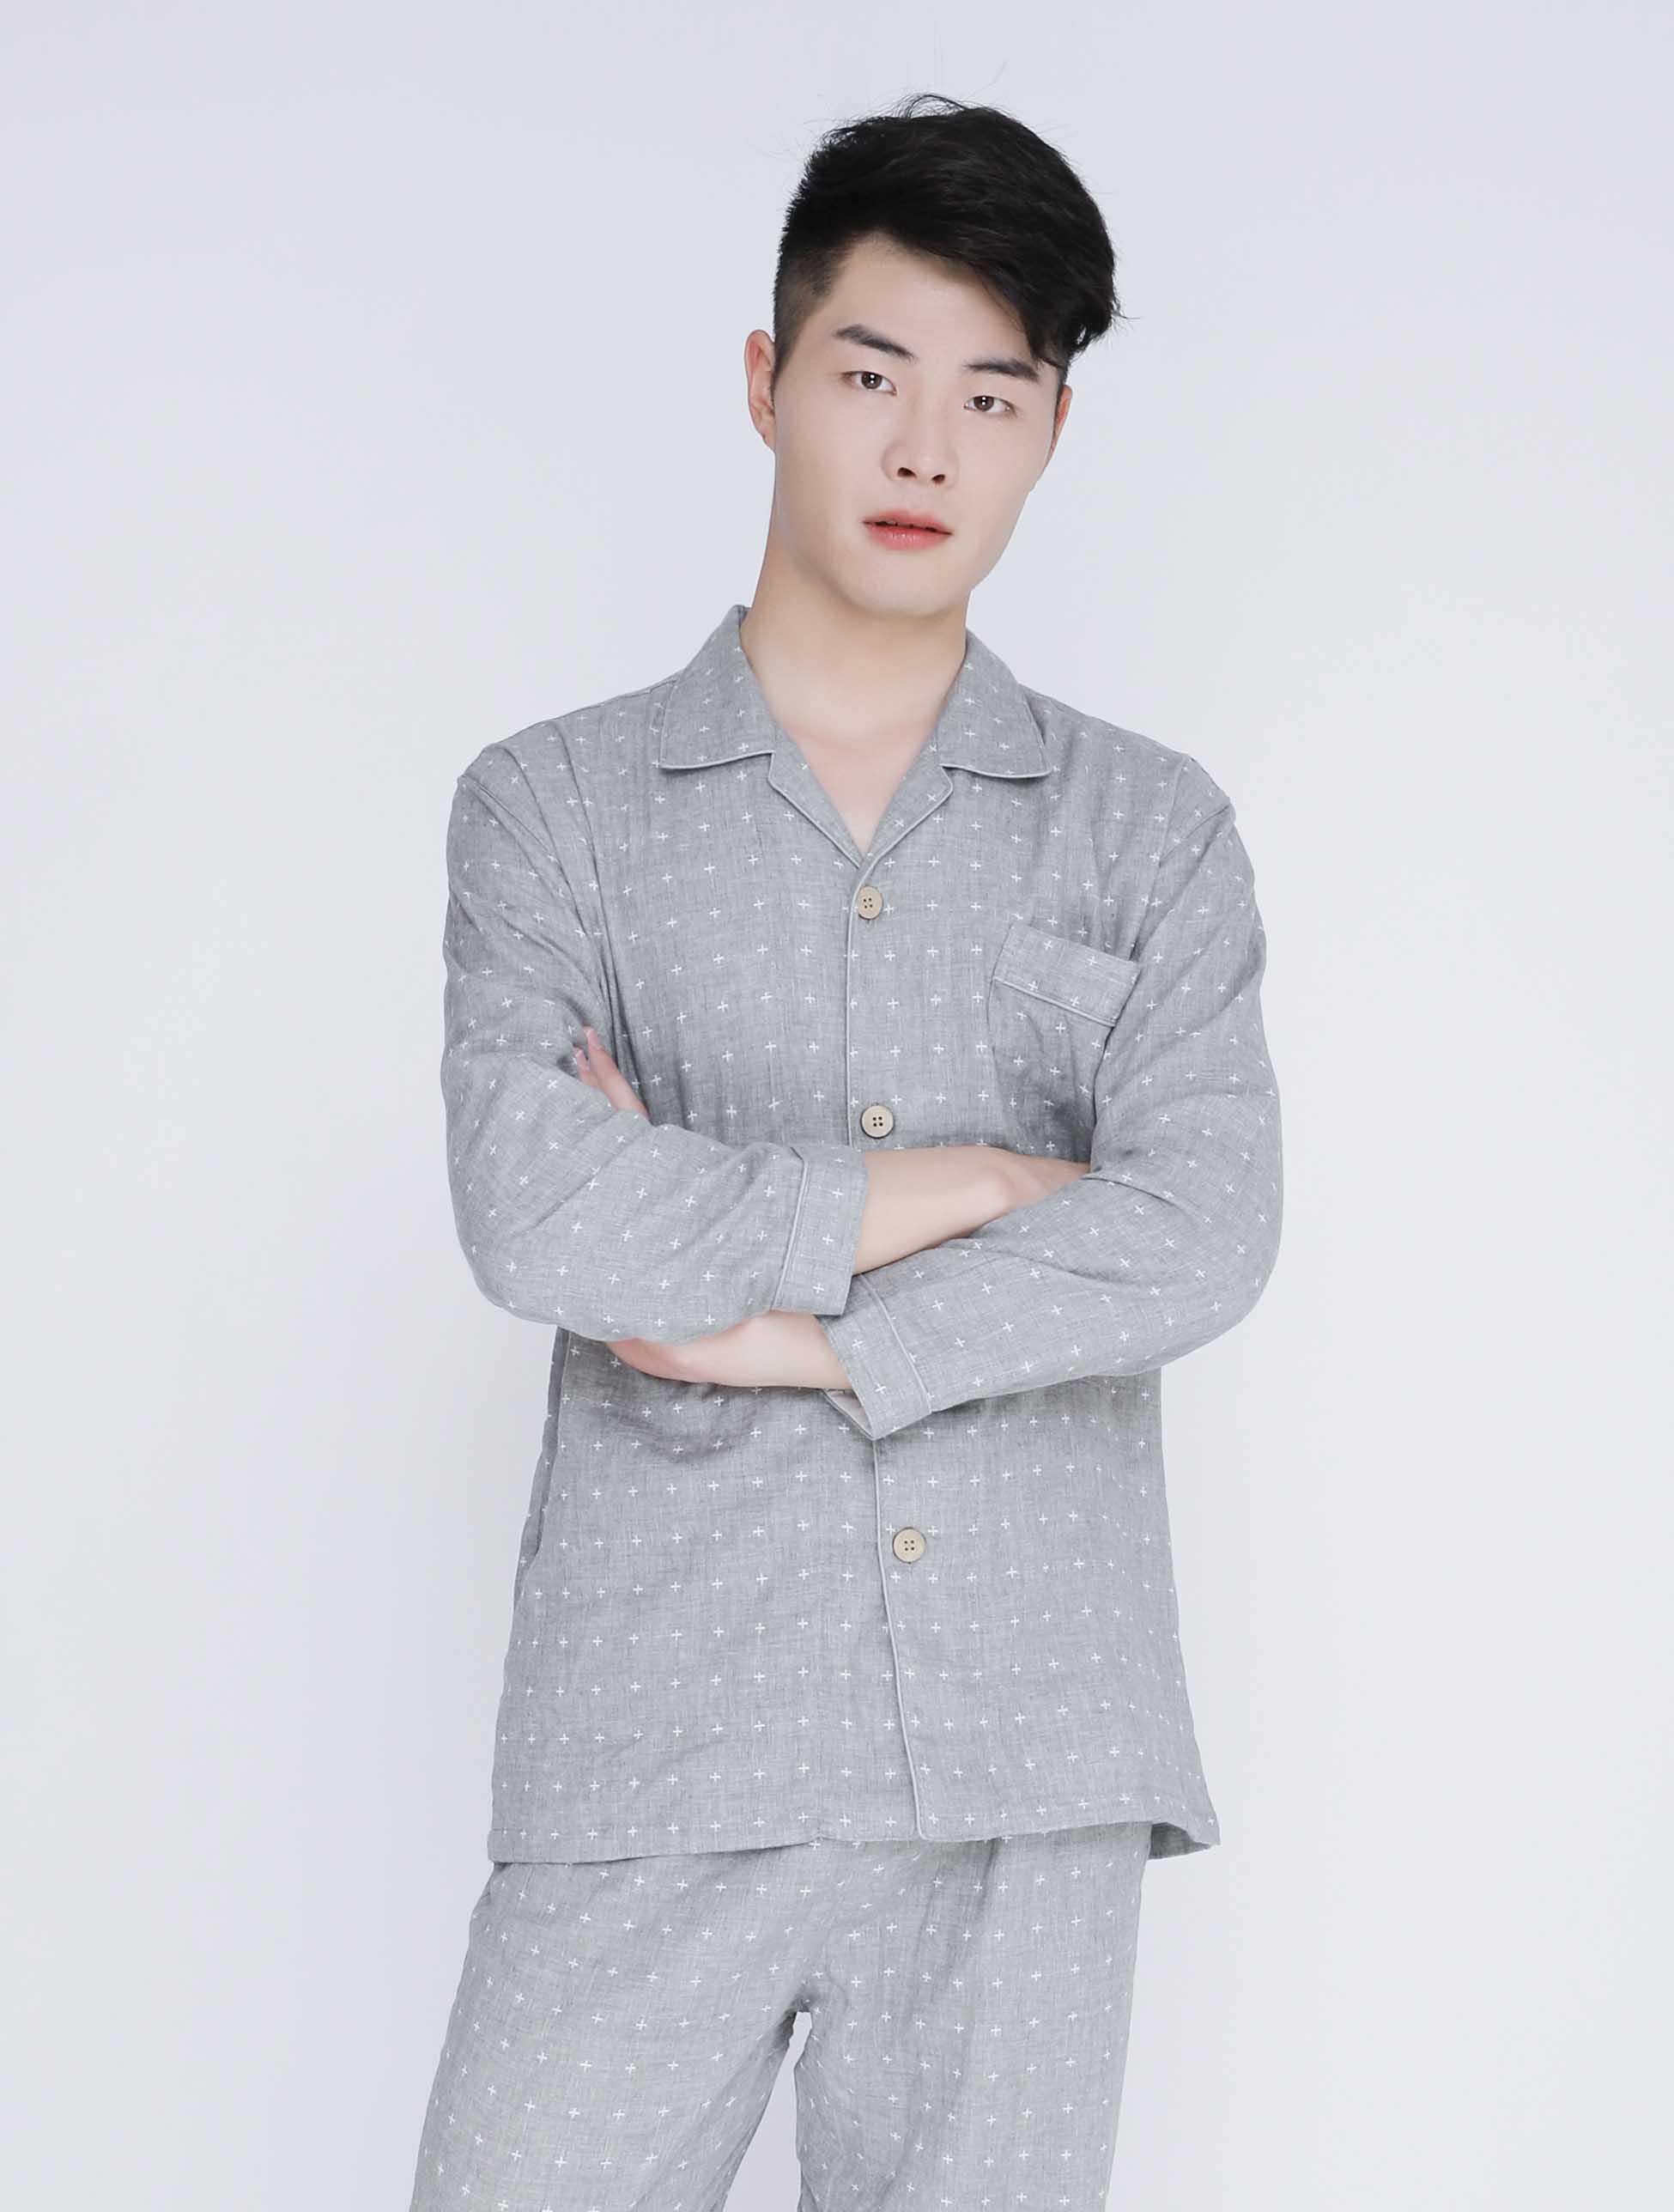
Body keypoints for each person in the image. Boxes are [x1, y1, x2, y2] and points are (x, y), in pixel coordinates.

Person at [408, 90, 1283, 2212]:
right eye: (873, 376)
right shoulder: (552, 810)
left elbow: (1203, 1228)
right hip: (656, 1729)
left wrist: (796, 1335)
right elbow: (537, 1203)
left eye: (993, 396)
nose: (926, 451)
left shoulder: (1150, 829)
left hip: (1027, 1745)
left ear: (1050, 432)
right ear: (767, 382)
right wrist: (975, 1181)